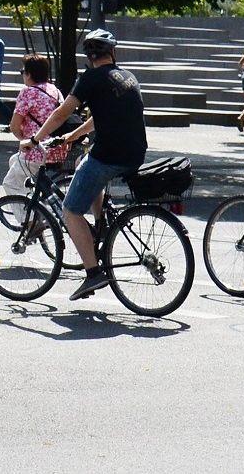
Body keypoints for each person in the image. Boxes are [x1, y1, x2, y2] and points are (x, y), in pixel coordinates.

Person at [20, 29, 150, 300]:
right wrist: (72, 136)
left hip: (109, 156)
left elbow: (60, 113)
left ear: (90, 58)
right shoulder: (127, 76)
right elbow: (104, 116)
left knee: (69, 210)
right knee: (82, 160)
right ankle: (100, 222)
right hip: (135, 152)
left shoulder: (90, 79)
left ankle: (93, 274)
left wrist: (34, 139)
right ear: (112, 53)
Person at [2, 53, 67, 195]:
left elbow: (14, 126)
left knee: (10, 184)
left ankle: (29, 217)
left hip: (37, 151)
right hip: (58, 149)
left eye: (23, 72)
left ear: (29, 74)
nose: (22, 75)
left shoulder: (28, 92)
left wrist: (25, 141)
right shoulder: (54, 90)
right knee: (14, 160)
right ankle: (34, 204)